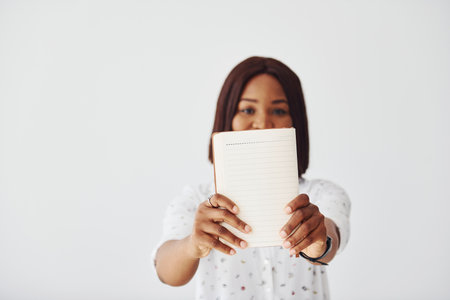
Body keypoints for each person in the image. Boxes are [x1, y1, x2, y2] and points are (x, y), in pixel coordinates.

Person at [152, 56, 351, 300]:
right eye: (247, 109)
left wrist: (317, 240)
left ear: (295, 121)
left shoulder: (323, 195)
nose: (262, 123)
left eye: (279, 110)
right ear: (227, 119)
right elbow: (166, 272)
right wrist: (193, 244)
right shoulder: (195, 201)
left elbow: (328, 243)